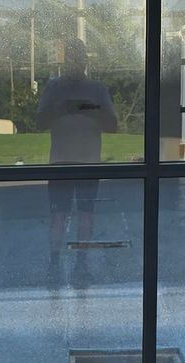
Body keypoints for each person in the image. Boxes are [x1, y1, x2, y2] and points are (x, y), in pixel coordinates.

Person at [35, 39, 117, 262]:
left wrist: (88, 109)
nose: (76, 62)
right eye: (72, 57)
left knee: (85, 214)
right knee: (59, 215)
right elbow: (40, 122)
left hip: (87, 163)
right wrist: (63, 109)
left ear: (85, 60)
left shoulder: (97, 90)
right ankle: (55, 260)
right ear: (66, 60)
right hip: (61, 164)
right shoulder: (54, 88)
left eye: (79, 57)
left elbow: (112, 125)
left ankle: (80, 261)